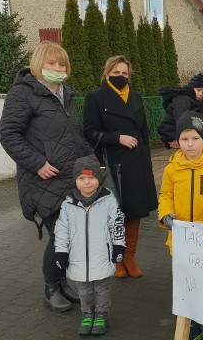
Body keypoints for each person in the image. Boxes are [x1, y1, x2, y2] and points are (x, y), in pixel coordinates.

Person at [0, 41, 91, 312]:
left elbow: (75, 136)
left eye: (62, 64)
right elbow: (9, 135)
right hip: (42, 180)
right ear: (39, 64)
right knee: (61, 235)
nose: (58, 68)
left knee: (70, 235)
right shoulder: (22, 94)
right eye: (52, 63)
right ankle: (51, 288)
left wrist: (91, 164)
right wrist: (37, 163)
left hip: (70, 179)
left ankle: (60, 283)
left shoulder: (67, 94)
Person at [157, 111, 203, 340]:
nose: (190, 144)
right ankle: (194, 327)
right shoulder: (171, 167)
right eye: (185, 139)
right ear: (177, 142)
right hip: (181, 240)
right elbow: (165, 194)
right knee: (188, 286)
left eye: (195, 138)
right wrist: (165, 215)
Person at [83, 55, 158, 278]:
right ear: (107, 75)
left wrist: (146, 159)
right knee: (115, 215)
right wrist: (117, 138)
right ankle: (116, 259)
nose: (121, 77)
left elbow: (144, 131)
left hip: (136, 162)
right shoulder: (95, 98)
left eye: (125, 73)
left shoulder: (135, 97)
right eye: (116, 73)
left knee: (134, 213)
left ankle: (130, 258)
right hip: (112, 164)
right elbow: (89, 132)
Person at [54, 156, 126, 336]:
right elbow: (61, 230)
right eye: (81, 178)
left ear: (99, 179)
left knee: (102, 288)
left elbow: (117, 225)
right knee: (84, 290)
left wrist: (118, 246)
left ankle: (101, 314)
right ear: (75, 181)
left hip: (101, 255)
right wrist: (61, 252)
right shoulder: (68, 204)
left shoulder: (108, 201)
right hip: (77, 258)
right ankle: (87, 313)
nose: (87, 182)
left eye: (91, 178)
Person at [158, 73, 203, 149]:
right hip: (175, 134)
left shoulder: (193, 101)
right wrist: (181, 138)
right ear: (191, 88)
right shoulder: (183, 99)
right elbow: (180, 118)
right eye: (198, 90)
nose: (200, 94)